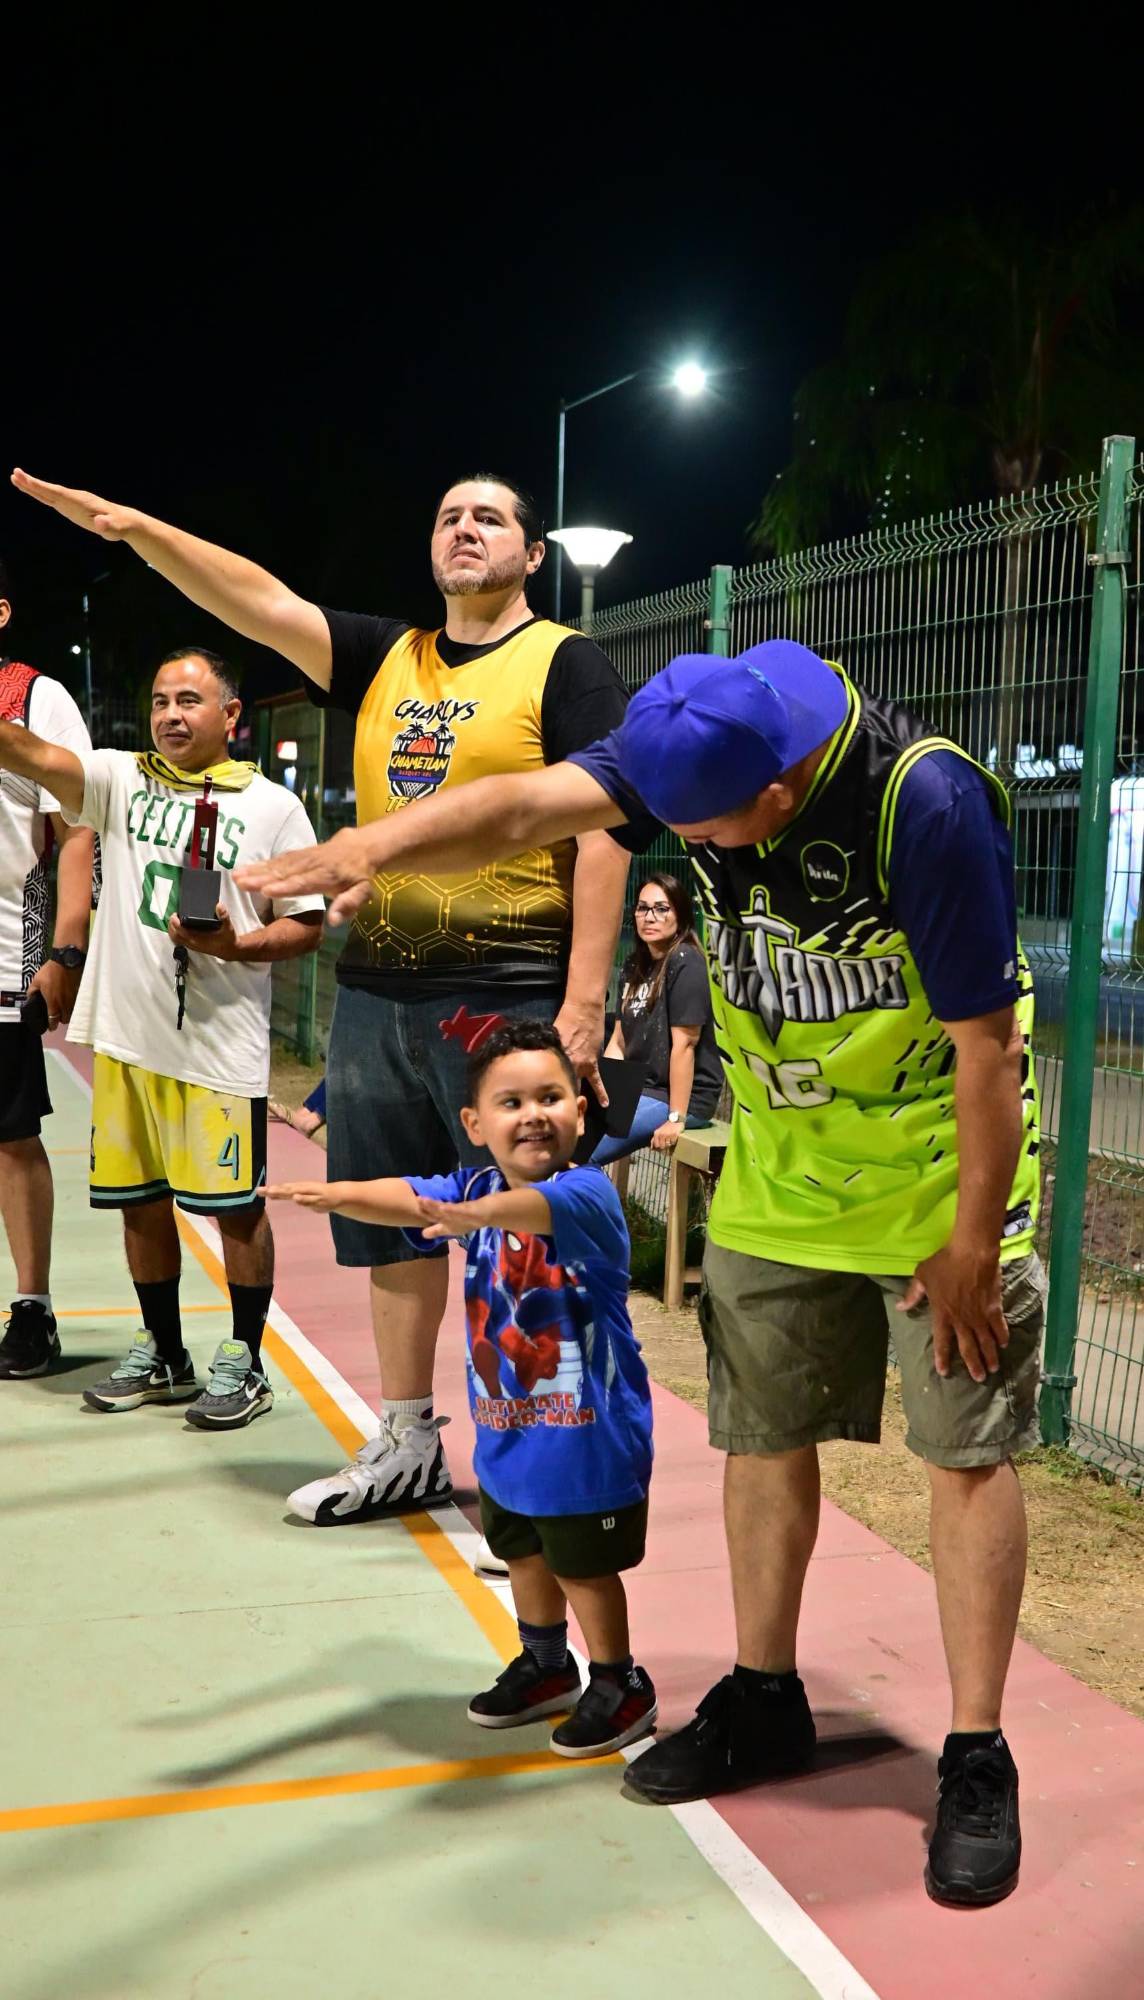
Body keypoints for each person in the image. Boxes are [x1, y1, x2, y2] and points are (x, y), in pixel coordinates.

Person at [233, 637, 1044, 1909]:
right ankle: (764, 1695)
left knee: (964, 1452)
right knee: (761, 1437)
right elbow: (521, 801)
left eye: (697, 827)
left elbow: (988, 1046)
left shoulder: (919, 802)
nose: (680, 843)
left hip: (937, 1180)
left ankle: (977, 1750)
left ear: (775, 793)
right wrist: (371, 848)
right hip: (783, 1173)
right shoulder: (701, 725)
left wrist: (969, 1246)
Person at [12, 469, 632, 1530]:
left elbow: (605, 827)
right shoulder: (391, 656)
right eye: (446, 515)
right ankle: (408, 1440)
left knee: (522, 1237)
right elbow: (253, 598)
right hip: (379, 990)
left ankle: (543, 1487)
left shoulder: (564, 664)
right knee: (392, 1232)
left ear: (532, 552)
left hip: (505, 992)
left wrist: (582, 1001)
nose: (464, 527)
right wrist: (134, 527)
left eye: (489, 516)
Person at [268, 1018, 657, 1757]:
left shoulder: (585, 1196)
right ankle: (547, 1663)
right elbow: (406, 1195)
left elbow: (523, 1211)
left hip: (589, 1439)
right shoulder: (470, 1185)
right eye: (511, 1103)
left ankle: (619, 1680)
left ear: (581, 1110)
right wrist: (333, 1192)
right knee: (522, 1552)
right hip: (507, 1429)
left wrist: (467, 1216)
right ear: (475, 1124)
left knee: (583, 1565)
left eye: (551, 1096)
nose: (534, 1113)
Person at [0, 644, 324, 1427]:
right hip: (127, 1039)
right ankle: (165, 1352)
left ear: (230, 715)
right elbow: (30, 750)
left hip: (217, 1048)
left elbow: (306, 925)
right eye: (159, 702)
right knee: (139, 1206)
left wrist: (236, 947)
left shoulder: (273, 807)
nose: (171, 716)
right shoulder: (116, 778)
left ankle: (244, 1359)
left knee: (235, 1210)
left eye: (188, 701)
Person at [0, 557, 97, 1380]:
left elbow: (76, 830)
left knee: (9, 1137)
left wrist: (64, 948)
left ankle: (30, 1308)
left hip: (3, 951)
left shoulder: (36, 699)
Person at [592, 871, 721, 1164]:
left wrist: (677, 1117)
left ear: (681, 915)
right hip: (640, 1089)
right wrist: (603, 1096)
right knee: (565, 1143)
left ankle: (598, 1209)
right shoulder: (635, 964)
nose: (649, 917)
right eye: (642, 907)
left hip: (679, 1098)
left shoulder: (686, 962)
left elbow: (685, 1046)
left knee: (585, 1153)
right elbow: (619, 1041)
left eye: (661, 909)